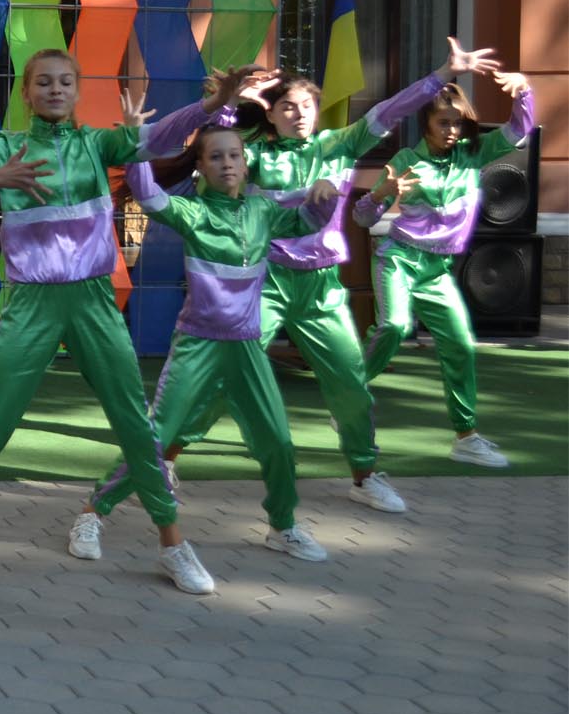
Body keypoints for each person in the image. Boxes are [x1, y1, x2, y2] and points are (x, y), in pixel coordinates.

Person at [0, 50, 269, 597]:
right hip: (31, 305)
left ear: (78, 91)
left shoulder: (97, 144)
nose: (55, 90)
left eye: (65, 81)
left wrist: (211, 106)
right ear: (26, 92)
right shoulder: (7, 148)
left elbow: (157, 138)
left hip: (93, 302)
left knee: (135, 424)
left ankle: (172, 543)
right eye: (43, 82)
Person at [165, 38, 501, 510]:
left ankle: (364, 475)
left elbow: (390, 110)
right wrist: (230, 105)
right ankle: (166, 457)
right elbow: (211, 154)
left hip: (322, 289)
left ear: (317, 111)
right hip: (265, 285)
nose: (298, 113)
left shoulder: (340, 145)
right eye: (287, 106)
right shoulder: (252, 154)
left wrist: (444, 74)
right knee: (228, 377)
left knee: (350, 384)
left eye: (306, 105)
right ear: (271, 114)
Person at [71, 125, 338, 568]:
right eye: (216, 157)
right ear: (200, 167)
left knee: (278, 441)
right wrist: (138, 145)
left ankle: (283, 525)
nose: (227, 164)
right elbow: (149, 196)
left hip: (247, 348)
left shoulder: (262, 210)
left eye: (234, 156)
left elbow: (309, 221)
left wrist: (325, 195)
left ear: (245, 165)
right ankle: (92, 513)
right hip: (197, 346)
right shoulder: (193, 213)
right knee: (156, 439)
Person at [355, 69, 534, 467]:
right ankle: (348, 397)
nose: (452, 130)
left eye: (458, 123)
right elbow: (363, 218)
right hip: (399, 260)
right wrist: (381, 193)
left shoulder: (474, 154)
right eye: (443, 122)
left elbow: (519, 130)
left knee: (460, 344)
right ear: (427, 123)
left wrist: (523, 90)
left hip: (436, 271)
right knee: (394, 326)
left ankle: (466, 437)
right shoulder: (405, 161)